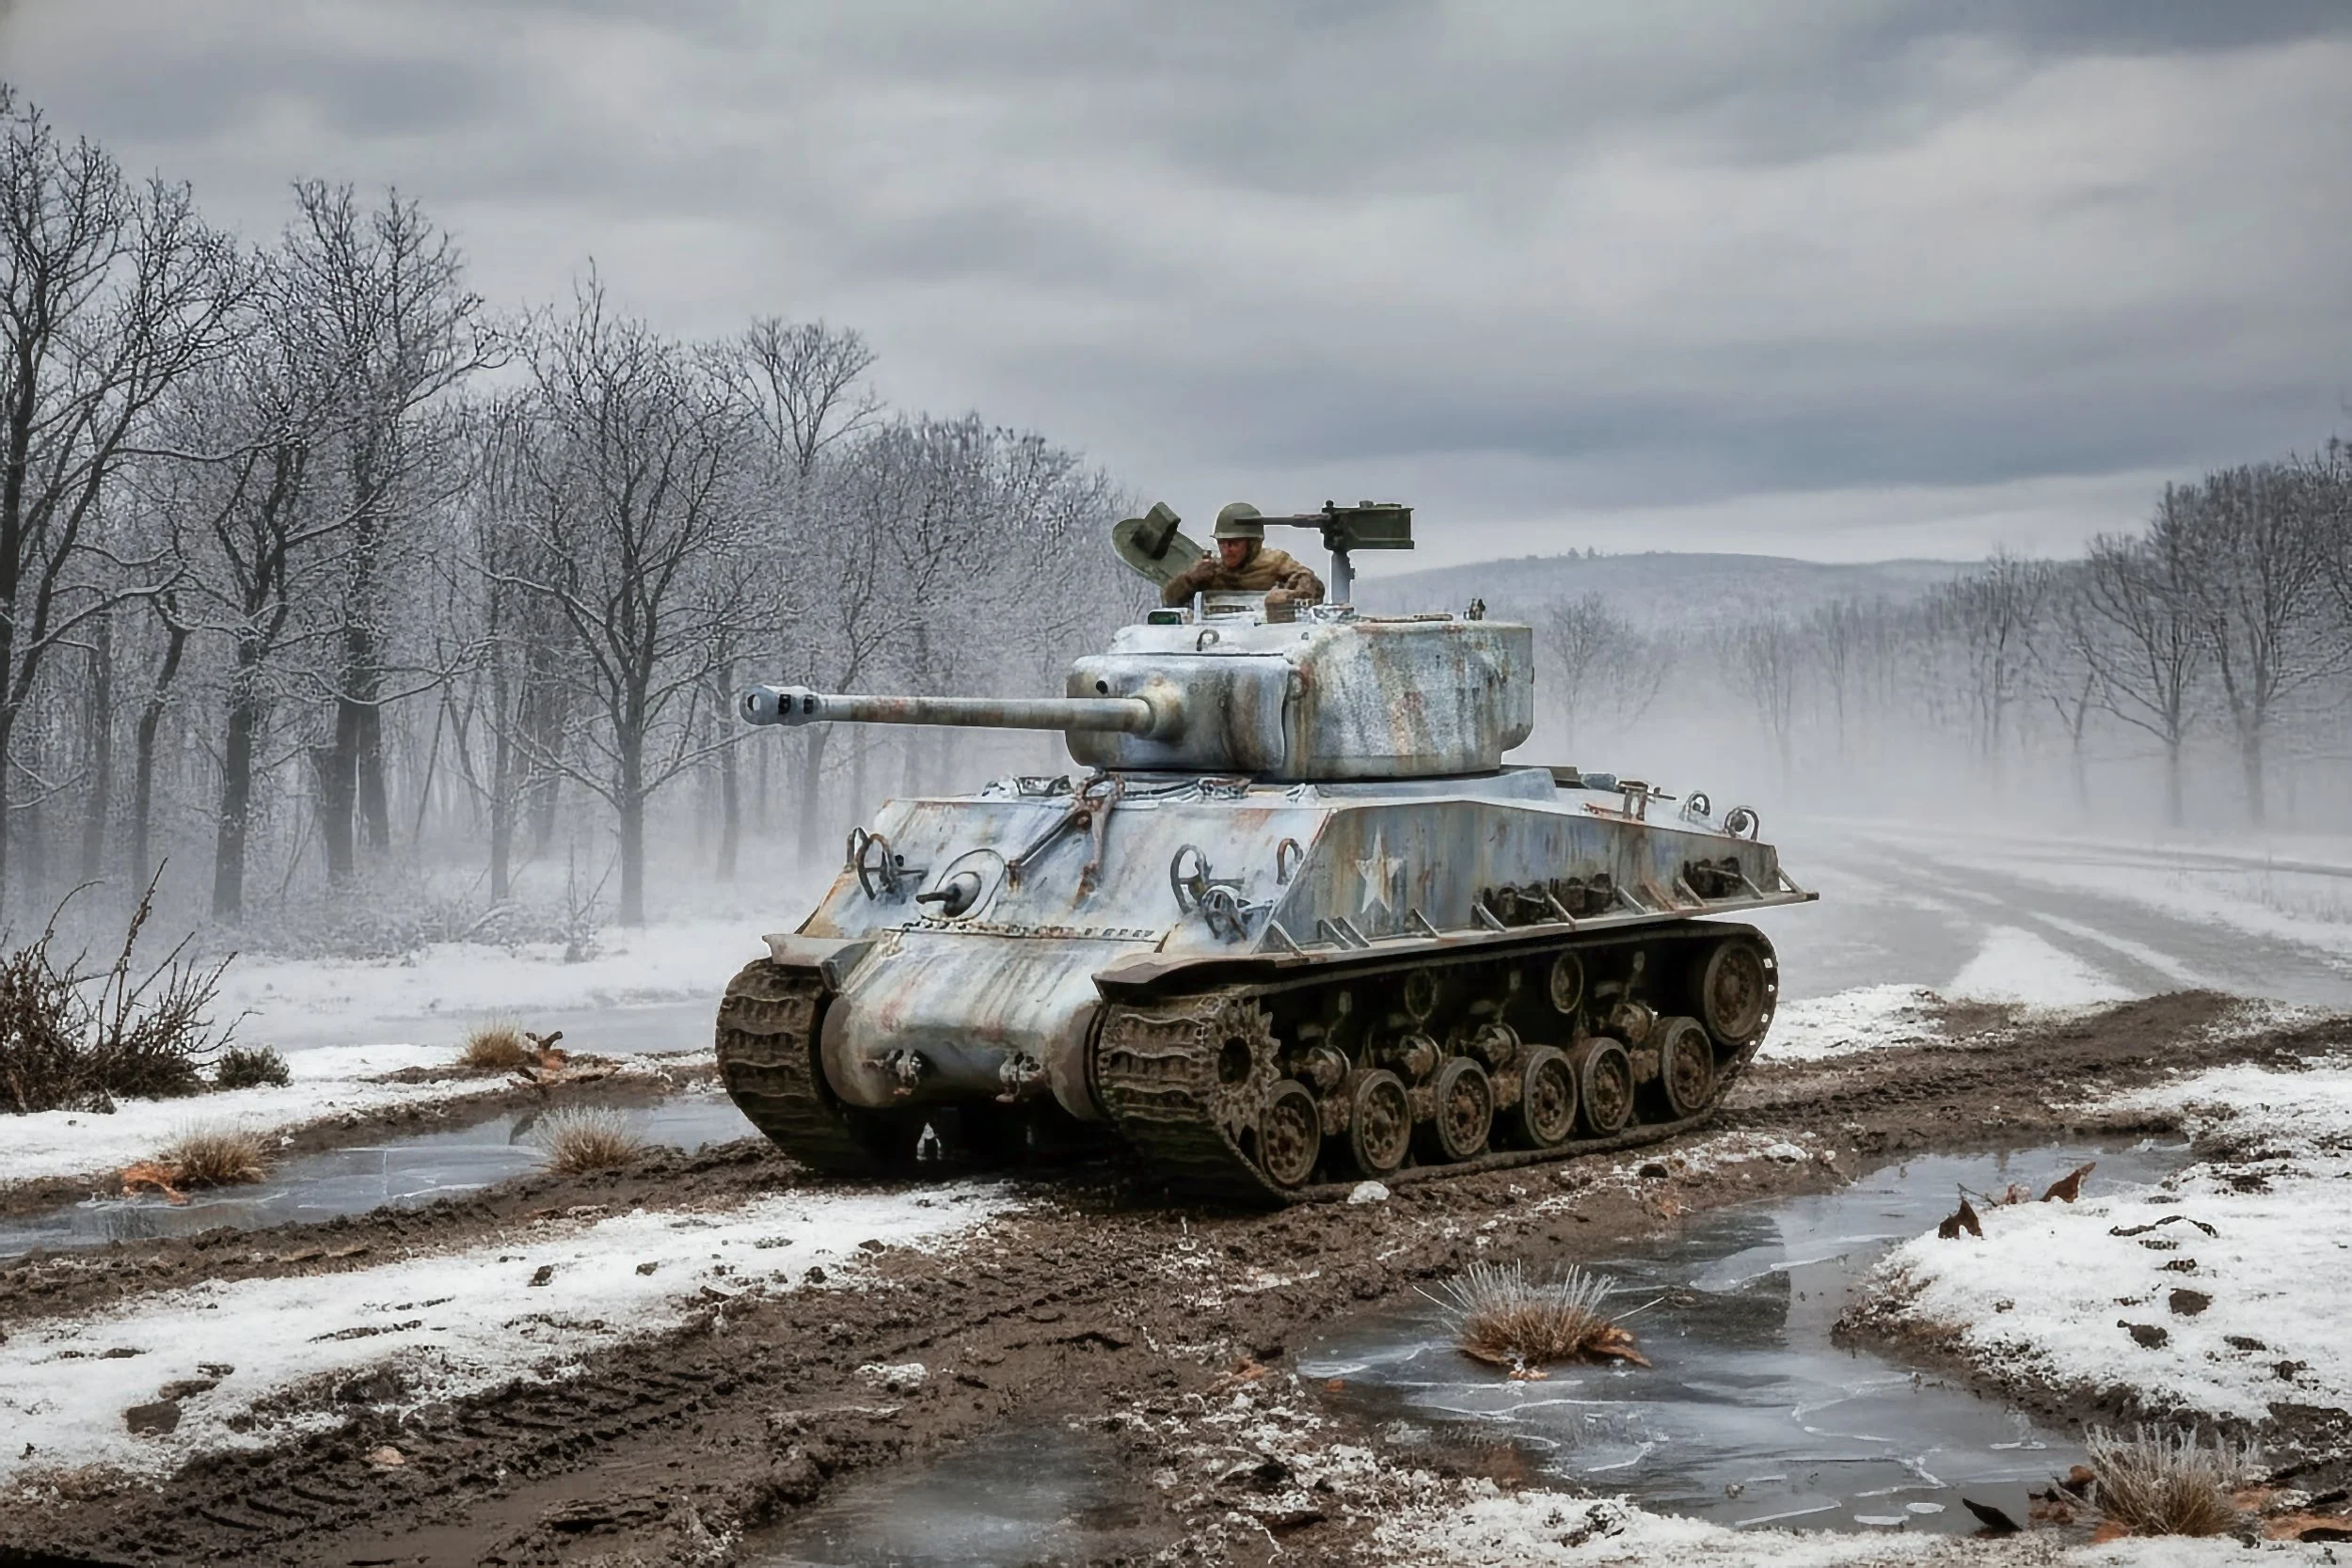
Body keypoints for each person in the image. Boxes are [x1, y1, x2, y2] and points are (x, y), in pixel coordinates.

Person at [1159, 503, 1327, 610]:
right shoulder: (1208, 571)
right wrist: (1190, 580)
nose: (1227, 549)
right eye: (1222, 543)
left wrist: (1289, 596)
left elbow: (1312, 587)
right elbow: (1169, 601)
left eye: (1234, 543)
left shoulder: (1276, 562)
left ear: (1252, 544)